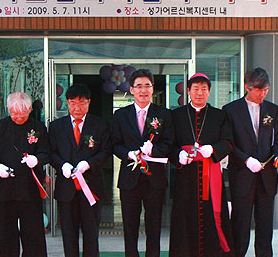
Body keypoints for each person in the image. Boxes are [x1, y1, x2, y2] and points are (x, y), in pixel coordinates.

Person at [169, 73, 234, 257]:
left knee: (212, 215)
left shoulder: (219, 115)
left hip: (210, 174)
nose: (199, 93)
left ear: (209, 92)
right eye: (195, 89)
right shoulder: (176, 115)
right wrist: (178, 155)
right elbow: (169, 144)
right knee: (184, 216)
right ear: (188, 91)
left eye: (204, 89)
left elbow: (229, 142)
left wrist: (213, 149)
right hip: (185, 178)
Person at [111, 69, 174, 257]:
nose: (143, 90)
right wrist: (129, 154)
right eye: (139, 86)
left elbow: (169, 143)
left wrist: (153, 150)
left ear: (153, 89)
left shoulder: (163, 114)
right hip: (129, 179)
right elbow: (114, 145)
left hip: (155, 179)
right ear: (131, 89)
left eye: (147, 86)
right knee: (129, 226)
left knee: (154, 225)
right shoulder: (120, 115)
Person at [223, 68, 278, 257]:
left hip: (267, 177)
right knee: (240, 224)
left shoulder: (273, 110)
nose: (262, 94)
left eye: (266, 90)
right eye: (259, 90)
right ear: (248, 87)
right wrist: (246, 159)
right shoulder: (231, 110)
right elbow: (228, 142)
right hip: (242, 175)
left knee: (265, 226)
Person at [48, 84, 111, 257]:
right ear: (67, 103)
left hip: (91, 188)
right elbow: (50, 152)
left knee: (91, 235)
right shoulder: (56, 126)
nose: (77, 107)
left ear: (88, 103)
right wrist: (62, 165)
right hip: (66, 189)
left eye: (82, 103)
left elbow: (106, 151)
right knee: (68, 235)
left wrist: (89, 164)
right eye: (72, 103)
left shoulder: (100, 125)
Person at [0, 92, 48, 257]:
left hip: (30, 188)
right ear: (8, 109)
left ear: (29, 109)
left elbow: (46, 152)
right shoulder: (0, 127)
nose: (18, 118)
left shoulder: (38, 127)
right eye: (14, 114)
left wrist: (37, 159)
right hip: (6, 190)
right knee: (7, 234)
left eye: (22, 114)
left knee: (33, 234)